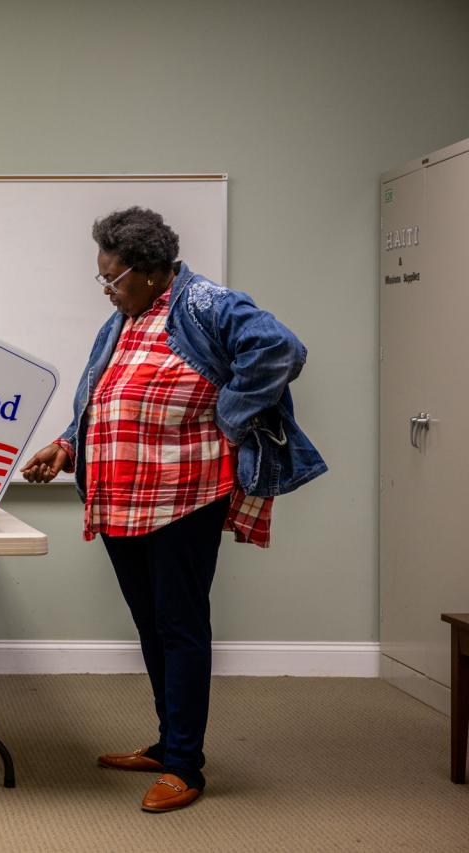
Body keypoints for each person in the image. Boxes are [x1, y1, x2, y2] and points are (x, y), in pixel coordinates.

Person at [21, 207, 325, 812]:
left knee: (181, 627)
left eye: (113, 279)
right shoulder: (124, 320)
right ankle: (167, 744)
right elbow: (101, 395)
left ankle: (186, 766)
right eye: (102, 279)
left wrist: (229, 417)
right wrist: (67, 446)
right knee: (152, 624)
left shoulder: (208, 303)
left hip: (184, 495)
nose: (105, 290)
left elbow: (280, 349)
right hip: (122, 498)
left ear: (153, 272)